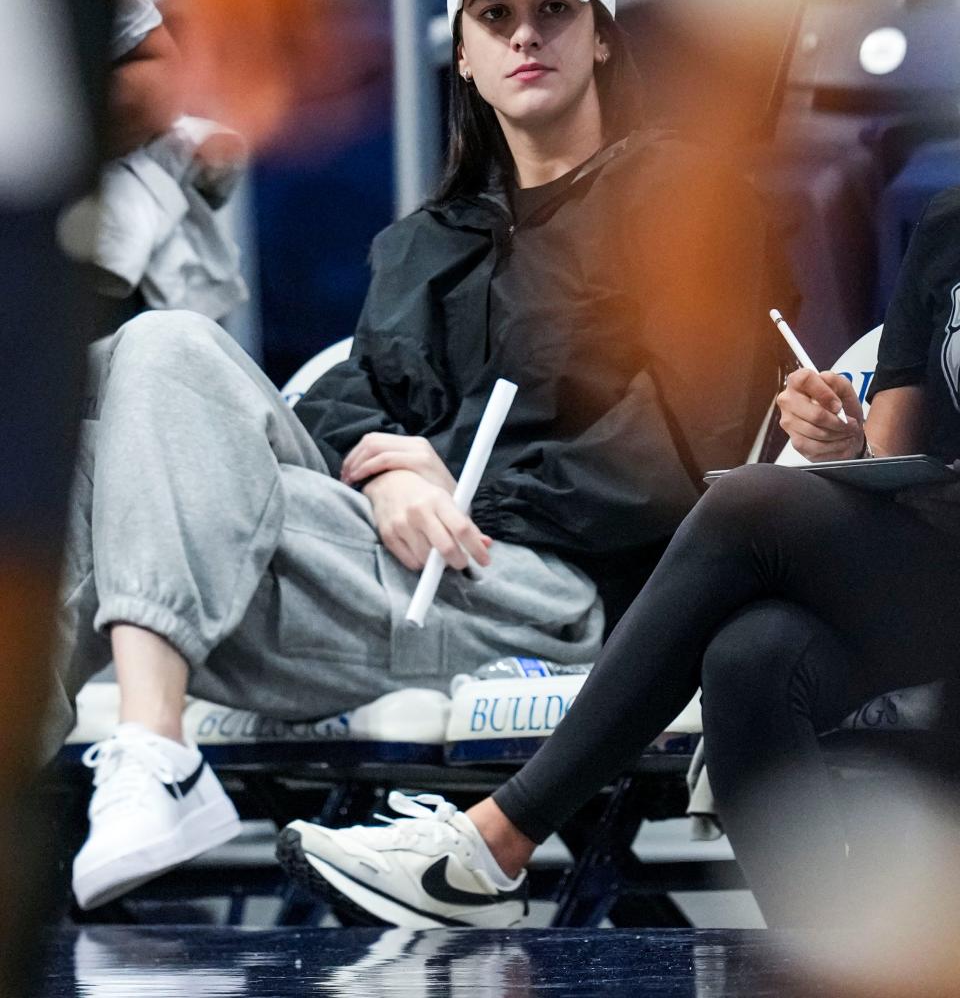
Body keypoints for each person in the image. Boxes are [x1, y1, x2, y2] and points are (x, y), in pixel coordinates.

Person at [56, 0, 777, 912]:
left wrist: (471, 499)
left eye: (553, 7)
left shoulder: (683, 203)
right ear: (467, 59)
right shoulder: (422, 242)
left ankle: (146, 751)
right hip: (382, 571)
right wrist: (393, 468)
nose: (524, 33)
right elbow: (349, 405)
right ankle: (142, 749)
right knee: (127, 370)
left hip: (543, 590)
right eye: (492, 13)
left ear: (604, 35)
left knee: (158, 361)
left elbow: (681, 450)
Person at [277, 165, 960, 929]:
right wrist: (836, 439)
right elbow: (892, 456)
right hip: (929, 565)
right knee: (751, 654)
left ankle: (496, 841)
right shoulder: (948, 222)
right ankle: (827, 960)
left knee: (750, 498)